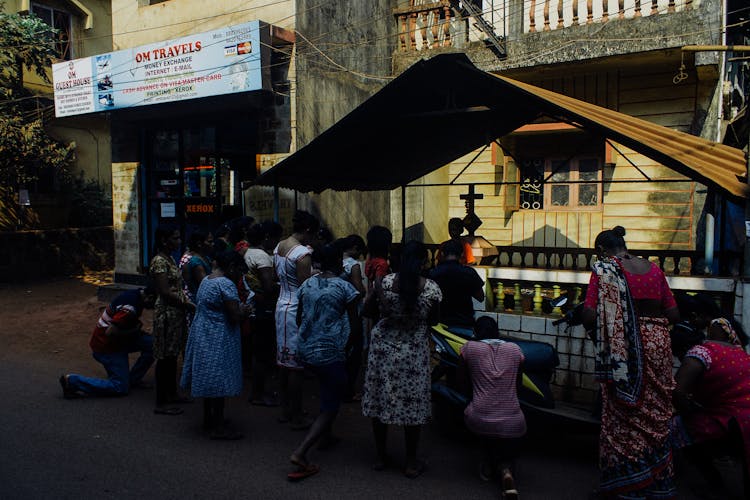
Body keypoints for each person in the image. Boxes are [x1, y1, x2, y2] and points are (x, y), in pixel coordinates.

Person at [581, 226, 679, 498]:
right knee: (657, 410)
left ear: (601, 250)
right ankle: (658, 482)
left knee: (623, 416)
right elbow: (673, 313)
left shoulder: (604, 270)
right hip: (658, 345)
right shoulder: (654, 269)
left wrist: (614, 316)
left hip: (622, 349)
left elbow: (589, 316)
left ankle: (629, 486)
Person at [361, 240, 442, 478]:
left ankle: (380, 456)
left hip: (383, 348)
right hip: (414, 351)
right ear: (424, 262)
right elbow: (435, 320)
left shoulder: (385, 283)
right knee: (412, 405)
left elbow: (367, 311)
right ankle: (410, 461)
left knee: (380, 399)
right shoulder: (431, 289)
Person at [287, 243, 361, 481]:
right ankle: (301, 452)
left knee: (325, 389)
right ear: (338, 262)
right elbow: (355, 324)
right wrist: (348, 348)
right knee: (331, 405)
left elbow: (299, 318)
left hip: (306, 348)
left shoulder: (307, 284)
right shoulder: (345, 287)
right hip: (330, 350)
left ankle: (326, 437)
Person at [671, 317, 750, 496]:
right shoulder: (738, 350)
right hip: (743, 416)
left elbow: (677, 392)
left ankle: (714, 481)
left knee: (677, 428)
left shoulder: (699, 353)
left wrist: (687, 412)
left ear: (682, 348)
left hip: (735, 420)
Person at [180, 250, 253, 439]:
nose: (239, 275)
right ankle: (218, 426)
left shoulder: (207, 280)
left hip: (204, 333)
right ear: (230, 267)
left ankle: (208, 420)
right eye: (238, 270)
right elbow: (234, 315)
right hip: (219, 337)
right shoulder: (226, 284)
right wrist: (245, 311)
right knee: (219, 381)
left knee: (209, 380)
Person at [458, 316, 524, 498]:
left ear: (476, 332)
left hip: (481, 417)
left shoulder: (470, 348)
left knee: (480, 419)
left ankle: (488, 465)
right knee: (506, 437)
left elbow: (462, 383)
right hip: (514, 420)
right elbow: (518, 387)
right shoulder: (514, 349)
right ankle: (506, 471)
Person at [59, 286, 157, 398]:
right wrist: (134, 330)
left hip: (115, 340)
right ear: (150, 298)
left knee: (153, 345)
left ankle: (132, 379)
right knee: (120, 387)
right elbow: (110, 332)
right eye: (155, 303)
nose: (154, 307)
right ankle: (72, 382)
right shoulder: (130, 308)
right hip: (107, 346)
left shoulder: (136, 294)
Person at [274, 210, 320, 429]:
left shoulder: (279, 246)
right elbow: (305, 286)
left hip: (281, 305)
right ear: (309, 230)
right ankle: (296, 414)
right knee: (295, 366)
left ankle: (285, 410)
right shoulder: (302, 253)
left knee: (284, 361)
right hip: (296, 309)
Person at [150, 227, 195, 416]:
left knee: (172, 355)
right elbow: (165, 292)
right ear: (164, 240)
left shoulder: (169, 259)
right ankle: (161, 401)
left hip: (176, 313)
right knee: (165, 358)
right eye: (175, 237)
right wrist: (188, 304)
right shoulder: (160, 261)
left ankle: (172, 394)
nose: (178, 241)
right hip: (167, 314)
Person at [244, 223, 280, 406]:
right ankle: (258, 393)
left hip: (254, 307)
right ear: (266, 237)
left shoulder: (248, 253)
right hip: (263, 308)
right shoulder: (262, 257)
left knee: (258, 352)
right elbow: (268, 286)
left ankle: (258, 391)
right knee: (263, 353)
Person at [429, 239, 485, 329]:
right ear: (462, 254)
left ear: (442, 254)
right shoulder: (469, 273)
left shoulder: (433, 273)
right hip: (464, 323)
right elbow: (481, 297)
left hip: (440, 325)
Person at [338, 235, 367, 402]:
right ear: (355, 248)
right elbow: (359, 290)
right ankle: (349, 390)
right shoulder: (353, 265)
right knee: (355, 350)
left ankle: (340, 387)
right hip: (353, 311)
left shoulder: (337, 261)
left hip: (338, 310)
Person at [181, 230, 213, 305]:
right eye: (210, 242)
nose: (213, 244)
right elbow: (206, 286)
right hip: (199, 301)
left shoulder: (206, 258)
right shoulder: (195, 261)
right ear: (199, 244)